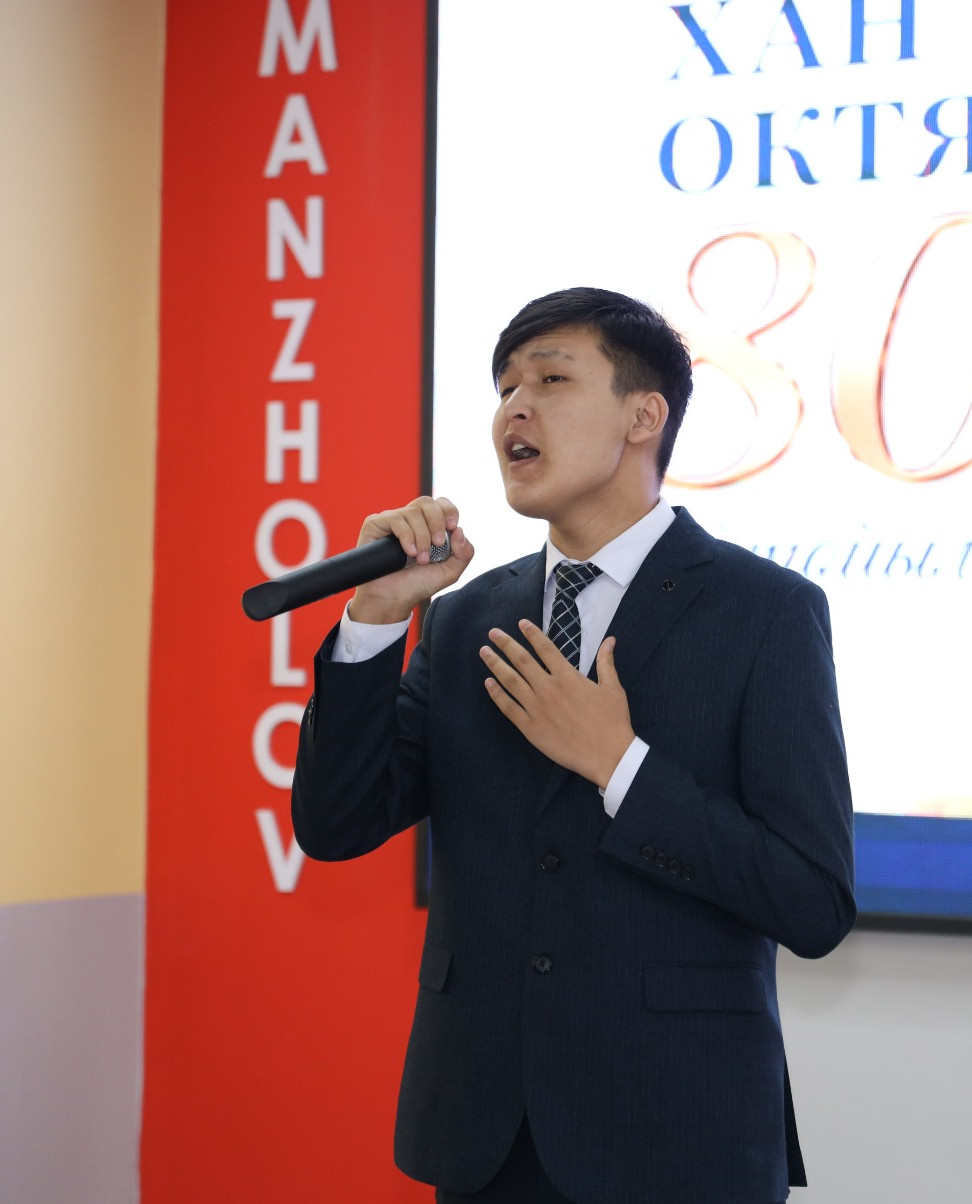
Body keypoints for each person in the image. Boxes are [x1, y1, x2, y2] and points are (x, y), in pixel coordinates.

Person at [292, 287, 857, 1204]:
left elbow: (813, 901)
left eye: (551, 380)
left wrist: (621, 766)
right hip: (482, 1136)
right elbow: (335, 824)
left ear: (645, 416)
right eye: (505, 388)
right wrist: (375, 619)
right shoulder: (466, 616)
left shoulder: (765, 613)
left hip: (676, 1137)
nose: (515, 408)